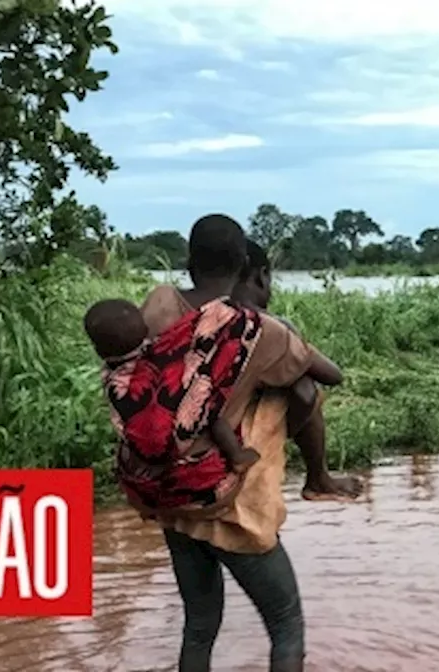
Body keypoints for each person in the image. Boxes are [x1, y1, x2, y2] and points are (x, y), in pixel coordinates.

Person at [133, 214, 320, 672]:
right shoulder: (259, 330)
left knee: (199, 626)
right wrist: (318, 469)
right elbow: (307, 388)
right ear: (248, 268)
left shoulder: (160, 308)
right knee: (286, 625)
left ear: (188, 262)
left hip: (174, 497)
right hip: (236, 502)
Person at [231, 240, 360, 501]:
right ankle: (318, 476)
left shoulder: (187, 319)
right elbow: (332, 376)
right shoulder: (266, 327)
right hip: (240, 436)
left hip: (186, 435)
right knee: (304, 384)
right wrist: (294, 342)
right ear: (261, 277)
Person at [85, 297, 261, 476]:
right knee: (210, 408)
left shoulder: (111, 377)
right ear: (146, 330)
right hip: (178, 437)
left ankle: (150, 462)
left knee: (132, 426)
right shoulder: (160, 352)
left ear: (99, 351)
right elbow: (182, 345)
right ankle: (237, 455)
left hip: (145, 452)